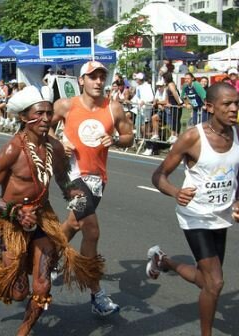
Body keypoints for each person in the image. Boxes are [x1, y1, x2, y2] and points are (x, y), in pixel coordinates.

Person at [0, 85, 104, 336]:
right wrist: (14, 213)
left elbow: (63, 179)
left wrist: (81, 204)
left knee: (42, 285)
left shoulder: (55, 148)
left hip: (42, 218)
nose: (46, 119)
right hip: (12, 221)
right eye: (39, 114)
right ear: (24, 118)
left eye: (49, 113)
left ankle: (24, 331)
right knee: (17, 292)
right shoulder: (12, 149)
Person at [148, 82, 239, 336]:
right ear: (209, 107)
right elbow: (158, 175)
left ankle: (163, 261)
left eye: (237, 104)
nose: (234, 109)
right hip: (195, 215)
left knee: (206, 280)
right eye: (227, 104)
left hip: (220, 216)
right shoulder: (193, 137)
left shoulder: (237, 134)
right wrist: (177, 192)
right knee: (216, 282)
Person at [50, 61, 134, 316]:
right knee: (92, 231)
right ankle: (96, 294)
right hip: (70, 174)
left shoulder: (114, 108)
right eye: (93, 77)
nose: (98, 82)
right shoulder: (65, 105)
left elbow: (130, 136)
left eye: (102, 77)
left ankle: (50, 255)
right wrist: (58, 142)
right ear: (81, 81)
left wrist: (117, 140)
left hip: (98, 178)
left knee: (75, 223)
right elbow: (43, 130)